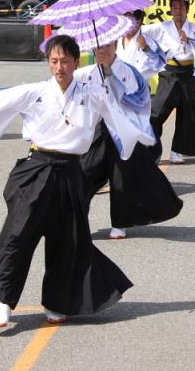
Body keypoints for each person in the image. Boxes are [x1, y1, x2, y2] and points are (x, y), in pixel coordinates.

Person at [0, 34, 153, 327]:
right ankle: (4, 301)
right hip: (37, 169)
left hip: (73, 172)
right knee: (17, 234)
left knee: (67, 241)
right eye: (54, 61)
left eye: (65, 61)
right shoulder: (35, 92)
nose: (59, 67)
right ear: (49, 63)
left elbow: (125, 108)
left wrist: (110, 75)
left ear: (76, 62)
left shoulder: (92, 93)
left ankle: (56, 302)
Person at [76, 39, 183, 240]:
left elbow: (138, 100)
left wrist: (112, 80)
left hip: (122, 130)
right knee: (83, 175)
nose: (102, 50)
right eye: (99, 47)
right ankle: (76, 222)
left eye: (107, 45)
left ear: (115, 46)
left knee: (121, 179)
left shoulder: (128, 72)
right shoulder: (85, 74)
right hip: (97, 132)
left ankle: (120, 223)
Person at [142, 0, 195, 164]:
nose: (178, 11)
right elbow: (141, 32)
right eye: (174, 7)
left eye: (181, 7)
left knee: (186, 114)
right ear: (170, 10)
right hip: (169, 73)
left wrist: (190, 40)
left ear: (187, 9)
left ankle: (176, 151)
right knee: (156, 113)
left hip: (188, 74)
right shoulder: (162, 28)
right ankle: (151, 149)